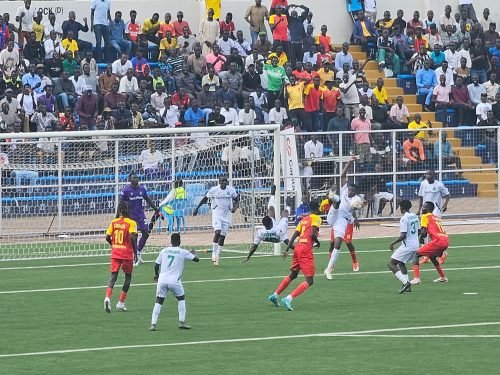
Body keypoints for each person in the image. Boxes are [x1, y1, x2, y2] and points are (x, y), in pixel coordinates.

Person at [267, 200, 321, 311]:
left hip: (298, 247)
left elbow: (295, 234)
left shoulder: (304, 219)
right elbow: (312, 234)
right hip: (305, 249)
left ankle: (275, 295)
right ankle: (288, 298)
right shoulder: (316, 218)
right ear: (317, 208)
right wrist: (317, 242)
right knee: (309, 280)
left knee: (293, 274)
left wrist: (287, 249)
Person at [149, 233, 199, 331]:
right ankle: (182, 322)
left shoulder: (164, 251)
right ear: (180, 242)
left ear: (171, 241)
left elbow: (156, 264)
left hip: (162, 280)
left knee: (159, 301)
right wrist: (193, 253)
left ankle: (153, 324)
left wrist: (156, 275)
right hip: (174, 281)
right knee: (181, 299)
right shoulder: (183, 252)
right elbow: (196, 259)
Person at [324, 158, 361, 280]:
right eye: (349, 189)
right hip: (333, 215)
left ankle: (329, 268)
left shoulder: (356, 200)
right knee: (338, 199)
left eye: (352, 191)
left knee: (338, 243)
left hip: (342, 220)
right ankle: (329, 195)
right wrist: (350, 162)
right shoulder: (344, 190)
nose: (349, 191)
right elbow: (342, 175)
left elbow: (354, 210)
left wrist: (355, 217)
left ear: (355, 192)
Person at [193, 176, 239, 266]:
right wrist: (197, 208)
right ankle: (214, 252)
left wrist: (235, 208)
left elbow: (237, 201)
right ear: (219, 182)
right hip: (216, 214)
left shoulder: (231, 190)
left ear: (227, 182)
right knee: (217, 232)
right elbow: (205, 199)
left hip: (227, 215)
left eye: (225, 181)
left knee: (222, 237)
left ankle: (218, 255)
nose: (224, 183)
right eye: (222, 181)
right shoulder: (214, 190)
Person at [119, 173, 162, 265]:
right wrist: (119, 215)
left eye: (137, 177)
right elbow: (121, 203)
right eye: (133, 178)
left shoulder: (142, 189)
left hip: (141, 215)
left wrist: (157, 210)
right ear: (130, 180)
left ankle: (138, 251)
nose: (136, 179)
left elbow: (148, 200)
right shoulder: (126, 190)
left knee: (146, 233)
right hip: (131, 216)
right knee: (133, 236)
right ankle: (135, 256)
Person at [103, 201, 138, 313]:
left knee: (113, 276)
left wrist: (113, 245)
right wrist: (136, 252)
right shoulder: (131, 223)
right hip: (126, 253)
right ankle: (121, 303)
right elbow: (132, 237)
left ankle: (107, 297)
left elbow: (107, 237)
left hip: (116, 252)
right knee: (128, 277)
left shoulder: (114, 222)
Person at [410, 201, 450, 285]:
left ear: (428, 209)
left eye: (423, 207)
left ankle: (416, 278)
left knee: (416, 254)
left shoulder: (425, 216)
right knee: (432, 257)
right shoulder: (435, 217)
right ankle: (443, 277)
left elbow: (424, 231)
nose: (422, 208)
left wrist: (420, 238)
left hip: (438, 241)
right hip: (445, 240)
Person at [388, 200, 419, 293]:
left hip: (408, 245)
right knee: (401, 263)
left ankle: (406, 283)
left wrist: (393, 243)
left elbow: (403, 235)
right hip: (415, 244)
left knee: (391, 264)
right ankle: (408, 287)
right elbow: (420, 231)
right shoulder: (415, 216)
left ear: (401, 207)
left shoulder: (404, 218)